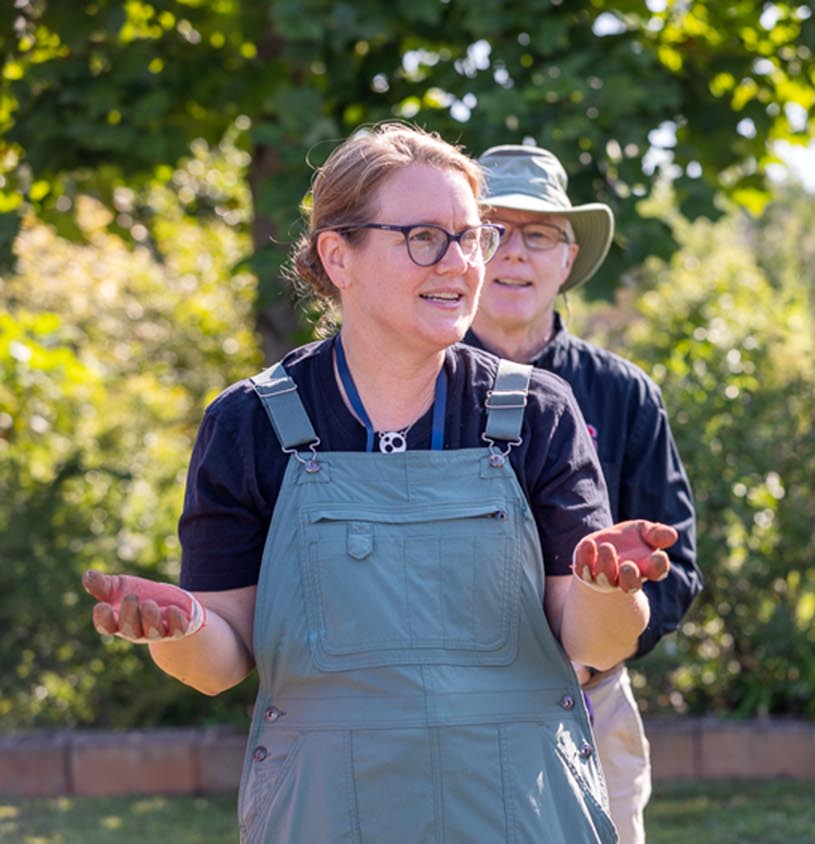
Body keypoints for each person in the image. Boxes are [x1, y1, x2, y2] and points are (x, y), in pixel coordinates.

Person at [81, 122, 678, 843]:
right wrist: (176, 629)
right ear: (339, 256)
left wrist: (606, 588)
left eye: (470, 236)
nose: (460, 264)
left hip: (522, 810)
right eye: (425, 237)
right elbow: (221, 661)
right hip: (325, 815)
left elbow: (594, 643)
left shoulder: (539, 411)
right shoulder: (250, 422)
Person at [463, 143, 700, 844]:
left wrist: (594, 648)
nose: (514, 254)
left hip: (591, 706)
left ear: (568, 260)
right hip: (439, 712)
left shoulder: (622, 394)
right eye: (491, 231)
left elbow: (676, 569)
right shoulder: (412, 387)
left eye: (539, 235)